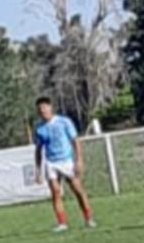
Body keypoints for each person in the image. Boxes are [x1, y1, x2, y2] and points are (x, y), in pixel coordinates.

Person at [33, 97, 96, 233]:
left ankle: (89, 218)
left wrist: (79, 160)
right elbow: (38, 150)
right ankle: (62, 223)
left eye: (44, 107)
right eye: (40, 109)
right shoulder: (40, 129)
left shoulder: (64, 122)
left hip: (66, 160)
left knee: (77, 190)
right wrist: (38, 170)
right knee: (55, 192)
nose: (42, 111)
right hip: (51, 162)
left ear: (50, 108)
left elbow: (75, 141)